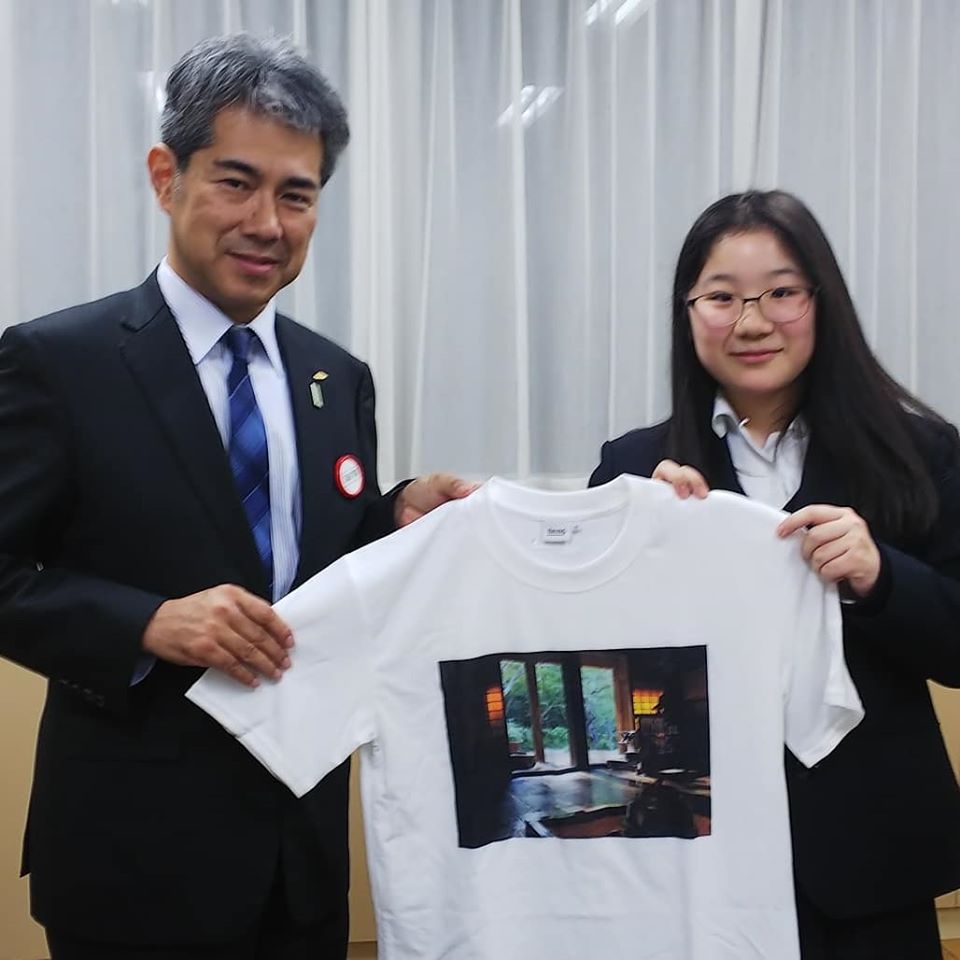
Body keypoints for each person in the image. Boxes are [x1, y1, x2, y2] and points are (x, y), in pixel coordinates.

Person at [0, 34, 470, 960]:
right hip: (131, 859)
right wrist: (147, 623)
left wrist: (395, 514)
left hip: (301, 861)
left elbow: (322, 569)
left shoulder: (338, 377)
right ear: (165, 177)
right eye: (236, 182)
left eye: (296, 194)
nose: (267, 222)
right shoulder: (58, 363)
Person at [590, 189, 960, 959]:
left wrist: (880, 576)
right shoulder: (635, 469)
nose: (752, 322)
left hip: (870, 863)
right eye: (722, 297)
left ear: (822, 302)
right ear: (688, 312)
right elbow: (591, 657)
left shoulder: (920, 454)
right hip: (695, 864)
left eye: (782, 293)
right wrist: (638, 553)